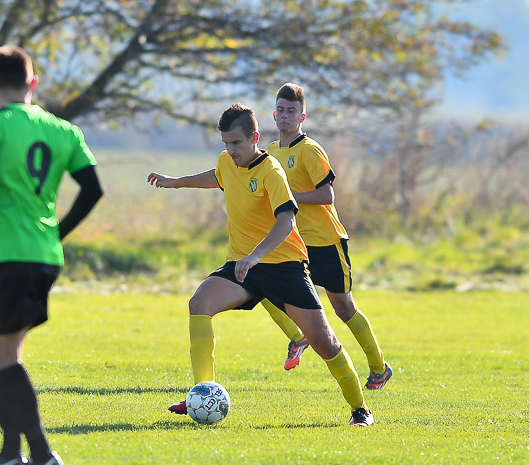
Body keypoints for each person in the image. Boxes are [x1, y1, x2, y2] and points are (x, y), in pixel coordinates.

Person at [147, 103, 374, 427]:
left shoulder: (271, 171)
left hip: (285, 267)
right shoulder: (227, 162)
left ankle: (360, 409)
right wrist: (175, 182)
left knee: (324, 342)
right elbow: (217, 176)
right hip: (242, 266)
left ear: (254, 138)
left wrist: (255, 256)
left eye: (237, 143)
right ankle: (203, 392)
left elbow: (287, 221)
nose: (231, 150)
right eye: (226, 143)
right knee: (199, 303)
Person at [0, 45, 103, 465]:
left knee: (4, 357)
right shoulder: (64, 130)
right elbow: (93, 189)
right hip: (45, 256)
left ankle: (40, 455)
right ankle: (9, 454)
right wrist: (58, 232)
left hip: (9, 256)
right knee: (9, 353)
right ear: (33, 83)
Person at [263, 82, 392, 390]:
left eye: (291, 111)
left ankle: (379, 368)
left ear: (302, 117)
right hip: (295, 243)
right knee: (259, 281)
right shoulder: (271, 152)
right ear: (274, 114)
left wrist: (289, 198)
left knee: (343, 308)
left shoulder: (309, 150)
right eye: (280, 110)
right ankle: (298, 337)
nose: (285, 116)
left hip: (326, 242)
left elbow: (327, 195)